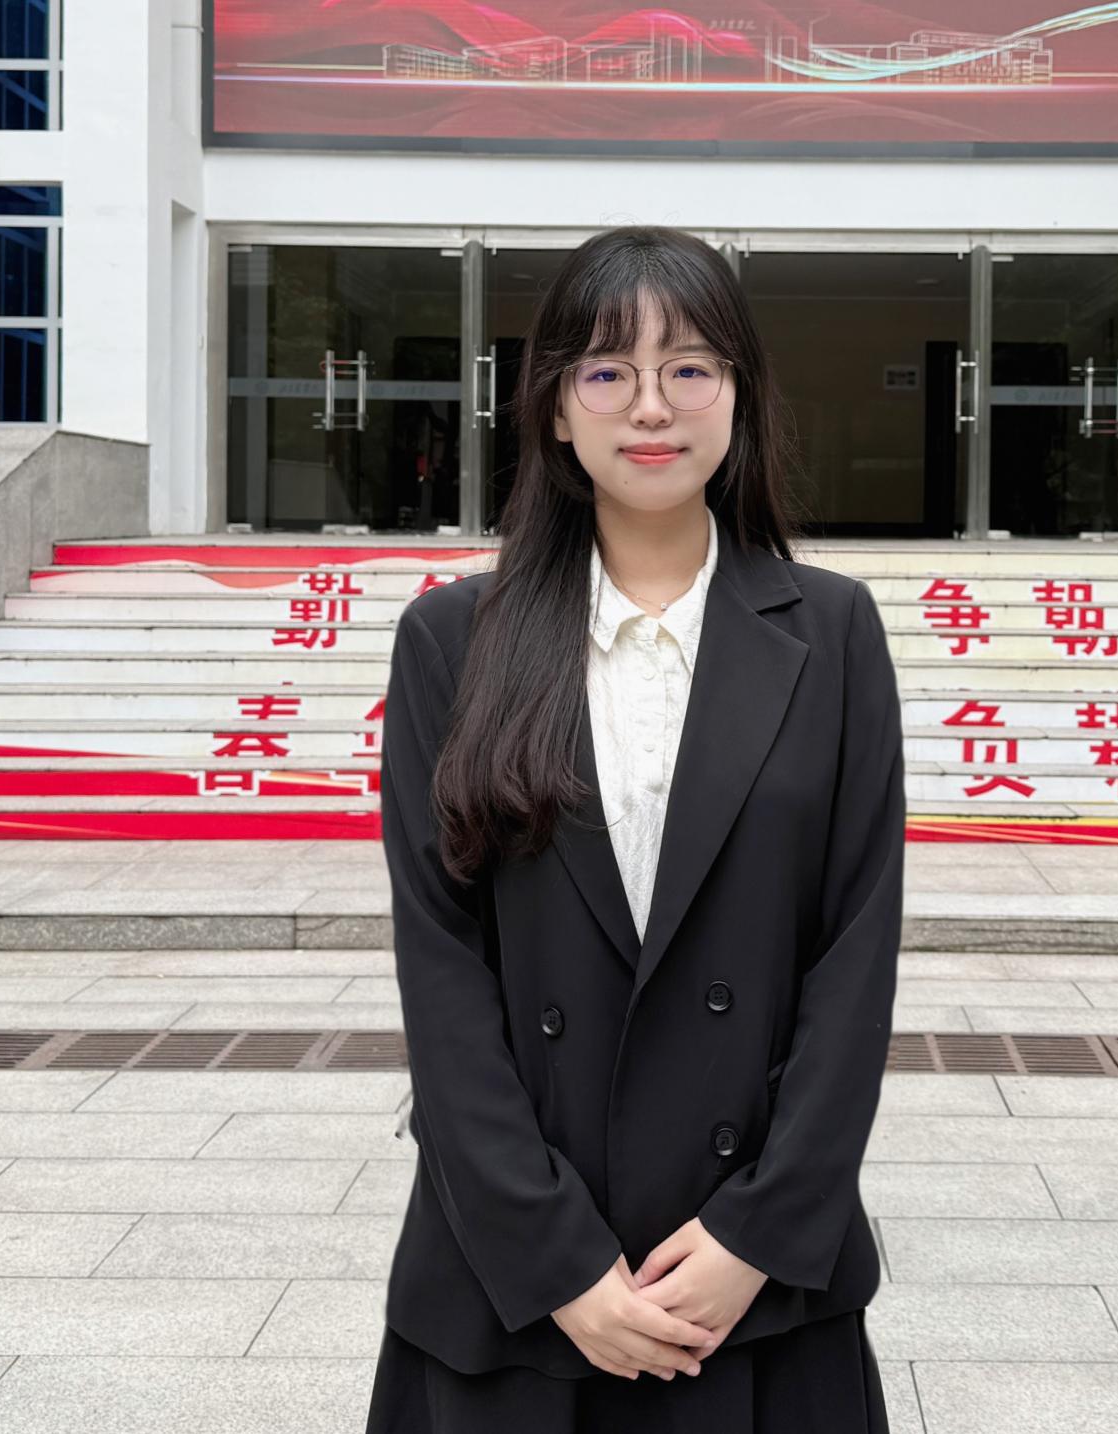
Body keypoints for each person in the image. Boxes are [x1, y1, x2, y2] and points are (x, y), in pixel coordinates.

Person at [364, 224, 902, 1433]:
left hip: (756, 1287)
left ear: (739, 398)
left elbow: (852, 962)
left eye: (689, 368)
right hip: (510, 1285)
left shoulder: (829, 633)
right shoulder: (453, 640)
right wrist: (556, 1262)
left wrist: (755, 1235)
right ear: (555, 408)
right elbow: (441, 977)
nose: (650, 406)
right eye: (607, 370)